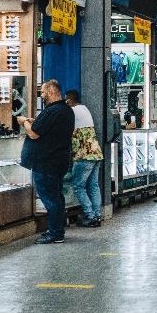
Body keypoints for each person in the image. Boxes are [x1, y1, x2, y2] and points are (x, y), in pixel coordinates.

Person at [18, 80, 75, 244]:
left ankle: (55, 233)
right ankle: (57, 230)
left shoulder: (53, 111)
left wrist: (25, 122)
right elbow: (48, 129)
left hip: (46, 163)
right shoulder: (65, 111)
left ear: (51, 92)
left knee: (50, 199)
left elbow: (34, 134)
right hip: (58, 161)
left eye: (42, 92)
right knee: (56, 197)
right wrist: (34, 122)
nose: (41, 96)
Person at [64, 90, 103, 227]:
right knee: (93, 185)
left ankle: (90, 215)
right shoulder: (84, 109)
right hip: (96, 152)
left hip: (83, 155)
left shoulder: (73, 111)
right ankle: (97, 215)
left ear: (69, 100)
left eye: (66, 101)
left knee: (78, 186)